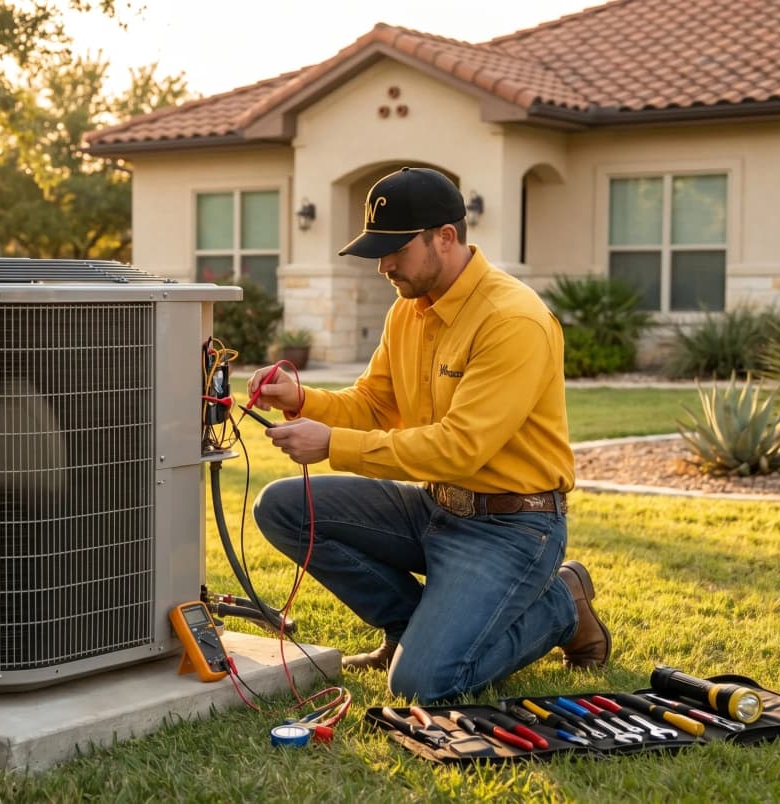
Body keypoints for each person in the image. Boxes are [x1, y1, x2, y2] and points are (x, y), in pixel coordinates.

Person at [247, 166, 610, 704]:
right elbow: (374, 403)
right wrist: (302, 401)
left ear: (445, 237)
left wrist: (331, 444)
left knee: (425, 684)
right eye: (378, 250)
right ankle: (411, 630)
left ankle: (562, 604)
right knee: (283, 507)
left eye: (396, 249)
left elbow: (458, 447)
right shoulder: (409, 310)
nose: (384, 265)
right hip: (435, 509)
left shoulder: (512, 321)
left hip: (512, 529)